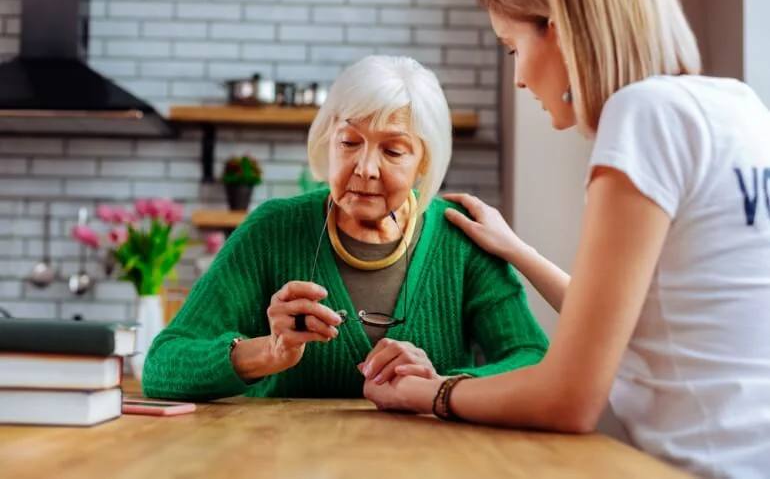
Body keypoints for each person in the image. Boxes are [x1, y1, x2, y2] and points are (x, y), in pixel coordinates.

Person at [361, 0, 770, 478]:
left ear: (558, 26)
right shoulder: (739, 106)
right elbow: (641, 321)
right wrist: (516, 249)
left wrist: (428, 391)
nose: (519, 77)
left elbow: (569, 398)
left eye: (512, 48)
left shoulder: (642, 114)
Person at [141, 55, 549, 401]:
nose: (365, 168)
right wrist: (268, 352)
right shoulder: (273, 229)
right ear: (327, 140)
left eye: (392, 150)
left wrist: (444, 385)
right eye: (349, 142)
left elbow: (532, 359)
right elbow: (162, 364)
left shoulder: (460, 239)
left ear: (424, 161)